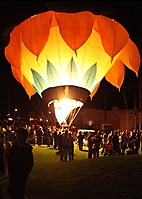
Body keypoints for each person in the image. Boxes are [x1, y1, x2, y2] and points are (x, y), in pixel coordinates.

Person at [7, 127, 34, 199]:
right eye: (17, 135)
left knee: (19, 191)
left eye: (19, 135)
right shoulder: (15, 147)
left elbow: (30, 162)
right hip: (13, 173)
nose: (17, 137)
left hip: (21, 174)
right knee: (11, 190)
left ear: (24, 137)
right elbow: (10, 159)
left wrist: (26, 172)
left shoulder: (27, 149)